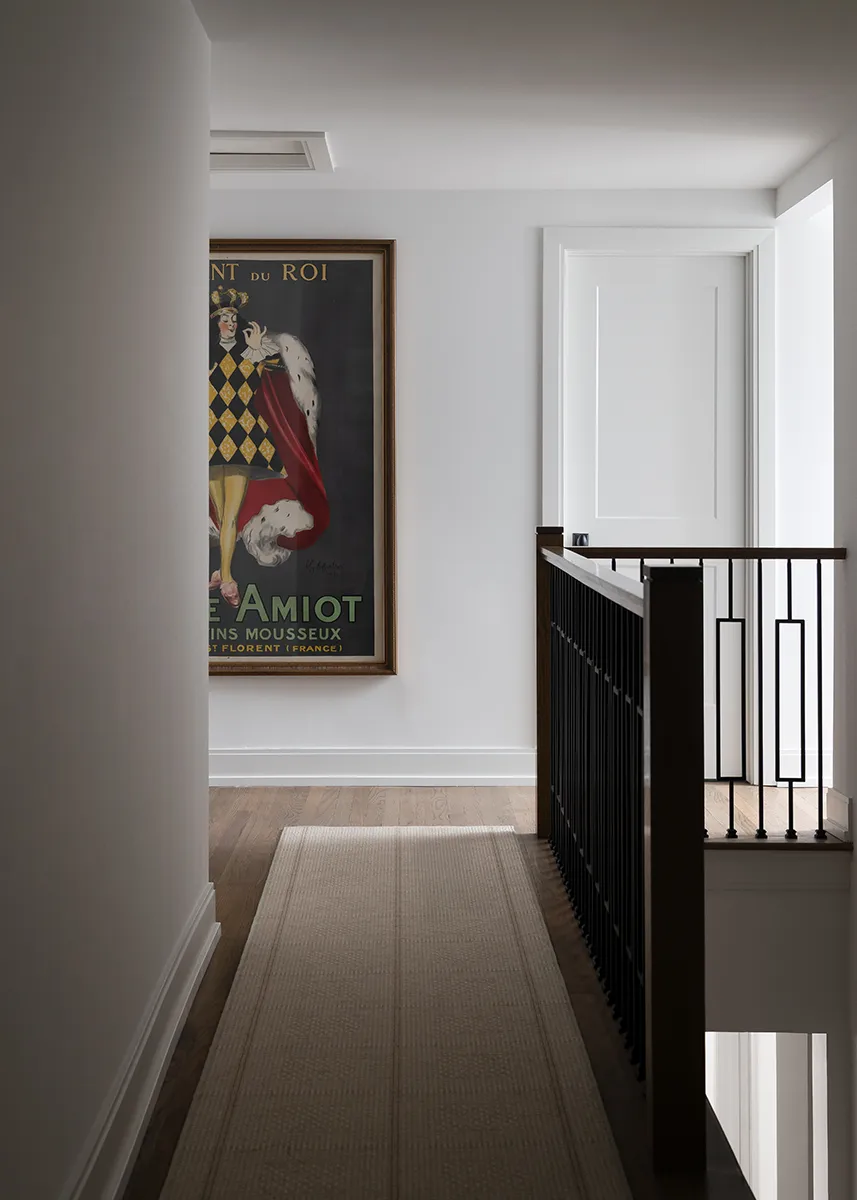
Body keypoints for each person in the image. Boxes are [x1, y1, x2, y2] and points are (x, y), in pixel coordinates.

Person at [209, 287, 329, 606]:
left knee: (231, 514)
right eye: (224, 318)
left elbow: (258, 383)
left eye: (234, 318)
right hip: (210, 438)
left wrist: (256, 351)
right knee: (223, 516)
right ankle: (223, 570)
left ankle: (227, 578)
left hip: (240, 438)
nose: (230, 323)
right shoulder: (205, 358)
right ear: (215, 322)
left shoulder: (251, 354)